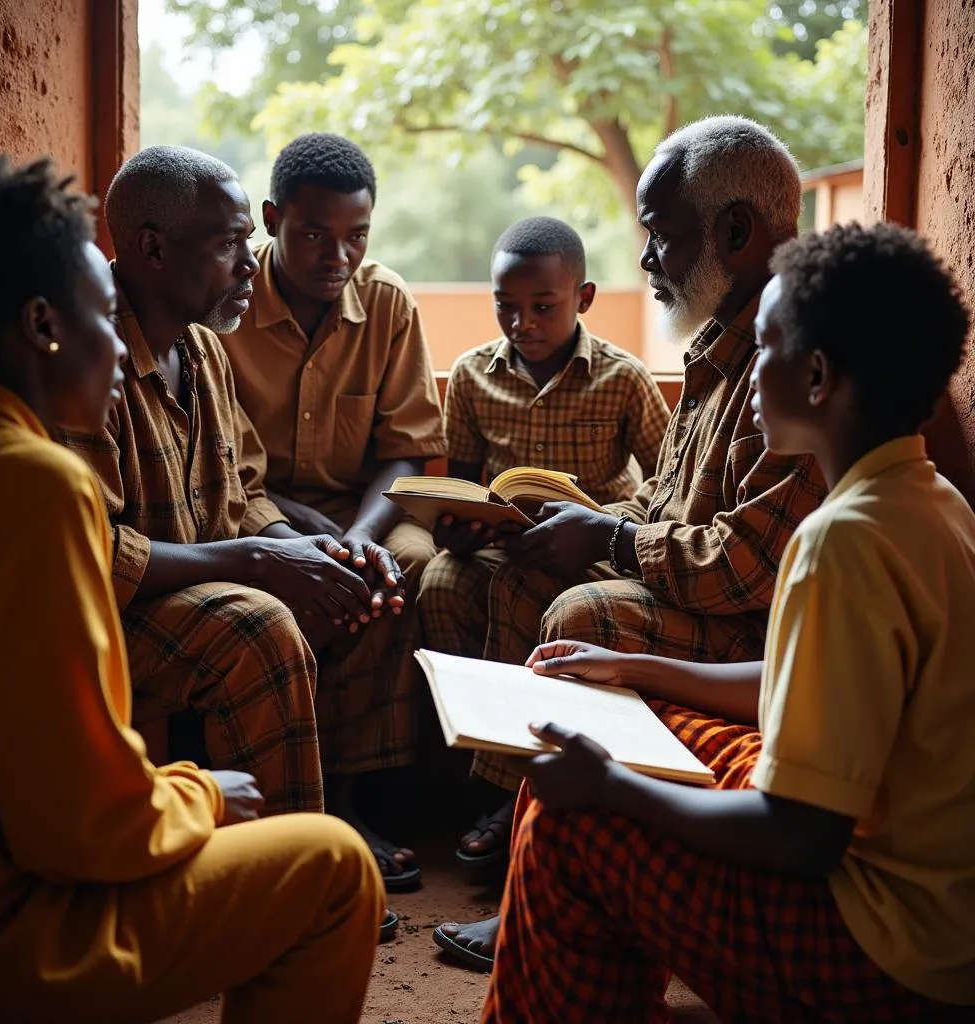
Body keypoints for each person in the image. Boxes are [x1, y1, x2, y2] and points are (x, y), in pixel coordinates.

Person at [483, 221, 975, 1022]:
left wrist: (612, 787)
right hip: (940, 918)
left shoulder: (840, 541)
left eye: (767, 347)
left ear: (817, 377)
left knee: (572, 823)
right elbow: (805, 685)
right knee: (660, 728)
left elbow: (800, 836)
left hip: (880, 950)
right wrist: (637, 672)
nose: (750, 371)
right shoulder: (930, 502)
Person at [0, 155, 383, 1024]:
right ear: (44, 325)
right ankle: (271, 885)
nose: (250, 265)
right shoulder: (41, 475)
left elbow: (242, 496)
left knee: (294, 590)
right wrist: (201, 792)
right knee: (335, 869)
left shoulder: (204, 359)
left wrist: (312, 547)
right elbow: (78, 824)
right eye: (99, 316)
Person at [432, 118, 827, 943]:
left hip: (746, 632)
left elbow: (746, 570)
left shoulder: (788, 362)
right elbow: (664, 508)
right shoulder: (720, 345)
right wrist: (579, 522)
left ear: (734, 231)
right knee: (524, 574)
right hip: (700, 597)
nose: (647, 260)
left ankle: (537, 879)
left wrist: (607, 543)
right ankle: (524, 824)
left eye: (661, 235)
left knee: (583, 617)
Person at [220, 133, 447, 890]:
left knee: (405, 565)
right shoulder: (226, 307)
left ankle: (350, 801)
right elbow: (223, 467)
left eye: (356, 237)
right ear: (271, 220)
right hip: (250, 507)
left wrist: (355, 536)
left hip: (365, 508)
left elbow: (408, 448)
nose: (336, 256)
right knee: (292, 582)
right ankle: (294, 805)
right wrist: (286, 535)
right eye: (314, 234)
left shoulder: (387, 302)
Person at [418, 214, 670, 859]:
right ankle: (473, 770)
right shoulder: (473, 376)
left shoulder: (623, 378)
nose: (521, 323)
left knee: (525, 588)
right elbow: (466, 486)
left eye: (543, 307)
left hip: (592, 553)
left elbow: (669, 483)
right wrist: (461, 528)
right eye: (505, 306)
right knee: (441, 583)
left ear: (583, 299)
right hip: (508, 546)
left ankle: (514, 796)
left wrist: (605, 524)